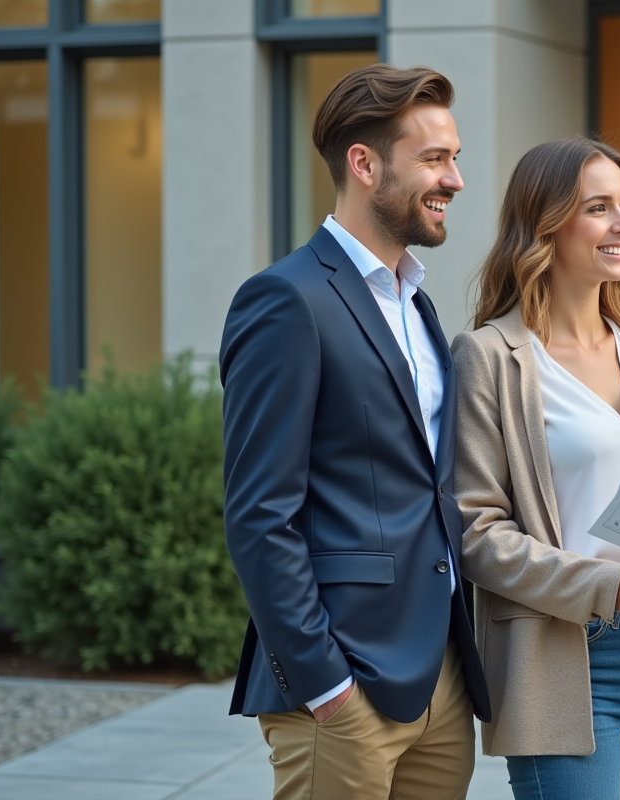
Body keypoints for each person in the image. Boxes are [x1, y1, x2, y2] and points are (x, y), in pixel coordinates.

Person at [219, 64, 490, 800]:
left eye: (455, 157)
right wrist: (323, 682)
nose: (456, 180)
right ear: (364, 164)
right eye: (435, 159)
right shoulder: (286, 301)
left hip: (441, 677)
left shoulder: (419, 307)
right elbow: (258, 514)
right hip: (345, 689)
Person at [452, 137, 620, 800]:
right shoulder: (491, 357)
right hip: (568, 658)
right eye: (598, 207)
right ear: (546, 225)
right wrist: (607, 586)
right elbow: (476, 534)